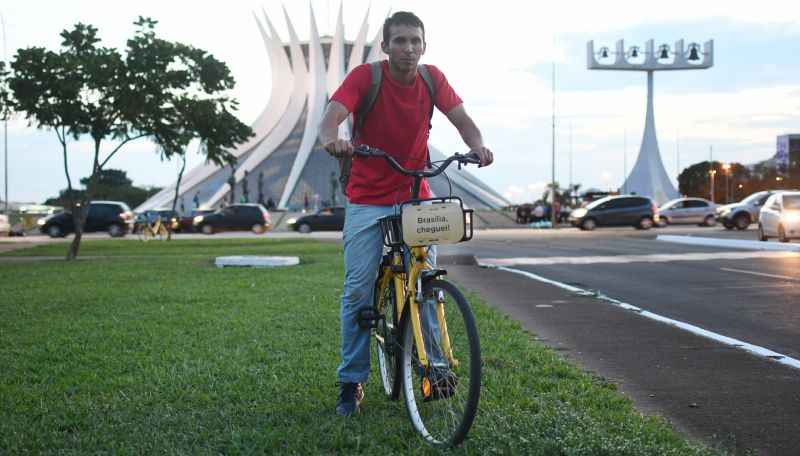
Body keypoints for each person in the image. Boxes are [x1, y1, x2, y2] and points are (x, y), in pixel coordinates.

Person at [318, 11, 493, 417]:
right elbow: (331, 118)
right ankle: (351, 381)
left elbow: (463, 120)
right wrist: (334, 141)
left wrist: (478, 146)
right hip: (368, 198)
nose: (408, 48)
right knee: (359, 290)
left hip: (416, 193)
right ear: (385, 45)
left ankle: (433, 368)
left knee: (426, 283)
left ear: (424, 46)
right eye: (400, 41)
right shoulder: (366, 77)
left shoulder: (432, 79)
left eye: (415, 40)